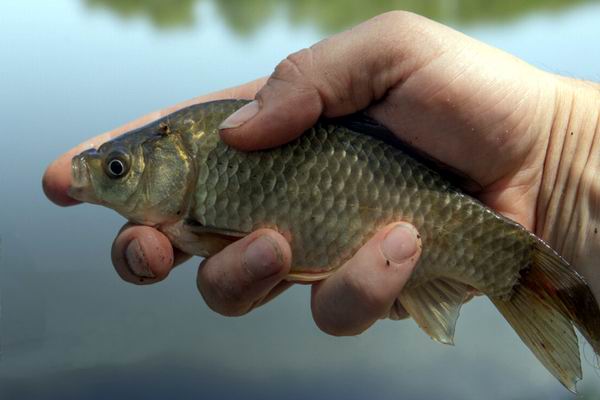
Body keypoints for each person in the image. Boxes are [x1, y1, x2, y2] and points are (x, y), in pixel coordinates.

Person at [42, 11, 600, 336]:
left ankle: (514, 270)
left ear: (172, 163)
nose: (106, 179)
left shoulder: (200, 163)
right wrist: (558, 161)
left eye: (118, 170)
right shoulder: (190, 167)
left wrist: (557, 153)